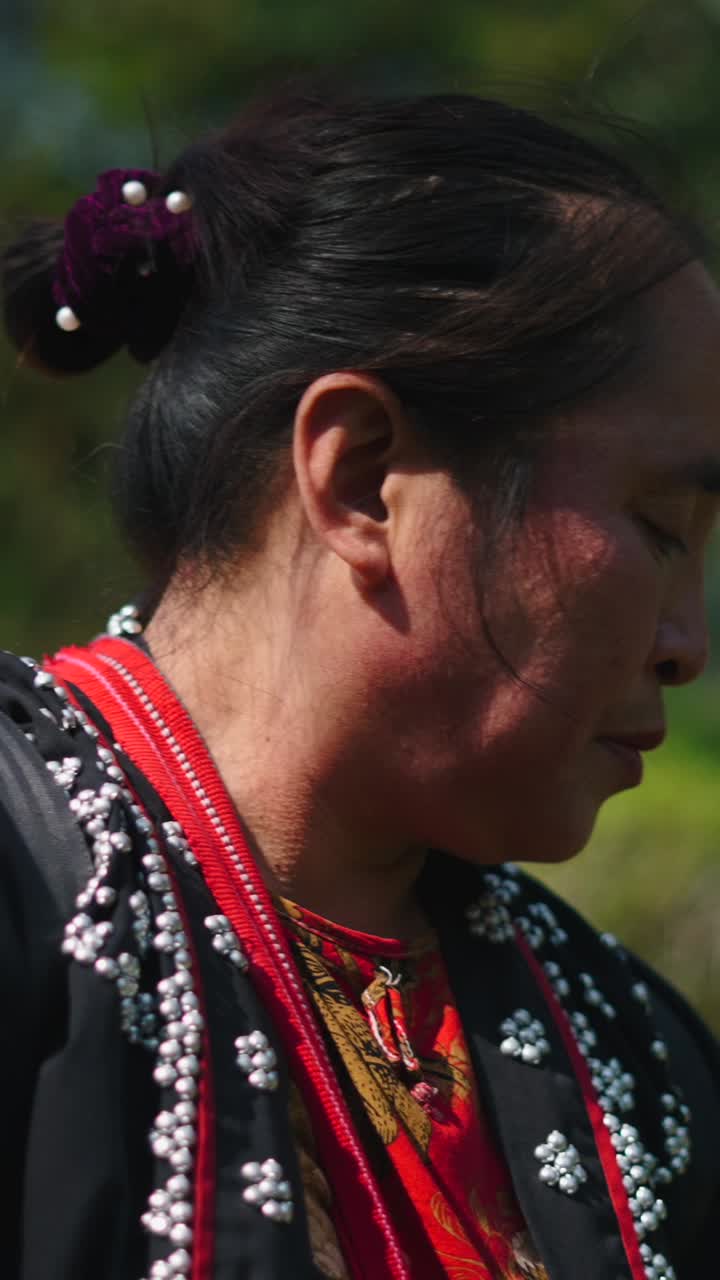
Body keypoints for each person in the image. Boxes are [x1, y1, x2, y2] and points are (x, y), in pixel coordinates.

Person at [1, 87, 718, 1280]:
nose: (687, 641)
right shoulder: (26, 884)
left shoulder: (637, 1059)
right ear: (367, 477)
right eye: (660, 524)